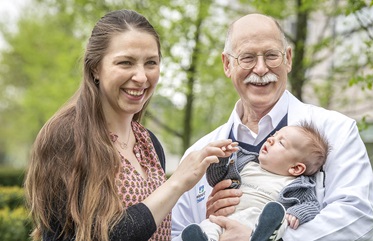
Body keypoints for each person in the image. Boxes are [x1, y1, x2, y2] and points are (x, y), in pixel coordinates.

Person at [24, 9, 239, 241]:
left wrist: (208, 225)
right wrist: (176, 183)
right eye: (125, 63)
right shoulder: (67, 136)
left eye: (151, 63)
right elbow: (93, 235)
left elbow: (157, 228)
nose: (141, 76)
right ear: (95, 67)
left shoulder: (149, 144)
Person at [171, 13, 373, 241]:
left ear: (288, 59)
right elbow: (175, 233)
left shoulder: (336, 131)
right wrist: (209, 223)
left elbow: (358, 220)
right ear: (227, 64)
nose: (260, 69)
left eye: (271, 55)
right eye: (247, 57)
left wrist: (268, 238)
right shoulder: (198, 154)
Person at [181, 123, 331, 241]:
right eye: (274, 135)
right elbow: (217, 180)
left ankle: (263, 235)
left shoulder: (297, 185)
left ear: (296, 168)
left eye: (281, 142)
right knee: (209, 224)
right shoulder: (245, 165)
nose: (271, 139)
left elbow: (311, 205)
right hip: (228, 219)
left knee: (279, 221)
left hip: (256, 221)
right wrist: (221, 159)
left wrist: (296, 213)